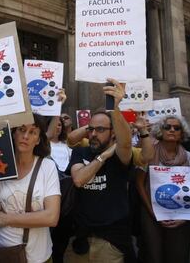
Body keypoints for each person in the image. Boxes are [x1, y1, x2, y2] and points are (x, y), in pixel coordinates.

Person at [68, 78, 135, 263]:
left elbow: (126, 141)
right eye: (90, 130)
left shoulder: (120, 155)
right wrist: (103, 156)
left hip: (111, 242)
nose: (93, 134)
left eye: (100, 130)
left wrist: (114, 107)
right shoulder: (80, 152)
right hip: (80, 240)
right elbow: (79, 179)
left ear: (113, 133)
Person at [0, 113, 61, 263]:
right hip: (4, 254)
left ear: (38, 140)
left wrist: (5, 219)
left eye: (33, 132)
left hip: (39, 257)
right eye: (22, 130)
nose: (26, 136)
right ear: (14, 133)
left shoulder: (47, 167)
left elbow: (51, 217)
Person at [136, 115, 190, 263]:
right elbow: (139, 183)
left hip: (181, 216)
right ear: (160, 131)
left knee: (178, 254)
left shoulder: (189, 157)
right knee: (153, 254)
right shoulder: (148, 153)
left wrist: (183, 217)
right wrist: (152, 211)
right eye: (167, 127)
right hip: (151, 213)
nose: (172, 130)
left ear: (182, 133)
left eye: (177, 128)